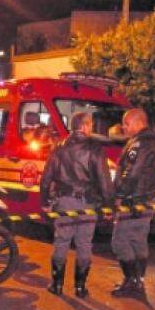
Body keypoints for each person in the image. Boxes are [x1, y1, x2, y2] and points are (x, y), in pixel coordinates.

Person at [39, 111, 114, 298]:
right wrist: (108, 207)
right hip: (87, 203)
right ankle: (80, 287)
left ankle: (56, 285)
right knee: (84, 244)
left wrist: (45, 202)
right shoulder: (95, 149)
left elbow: (46, 178)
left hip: (64, 202)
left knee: (61, 242)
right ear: (86, 125)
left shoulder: (59, 147)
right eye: (90, 125)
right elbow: (105, 181)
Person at [111, 108, 155, 300]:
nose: (124, 128)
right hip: (147, 198)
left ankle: (131, 281)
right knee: (138, 240)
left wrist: (119, 194)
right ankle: (138, 281)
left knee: (120, 242)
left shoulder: (139, 143)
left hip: (133, 199)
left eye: (126, 124)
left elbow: (131, 173)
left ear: (137, 122)